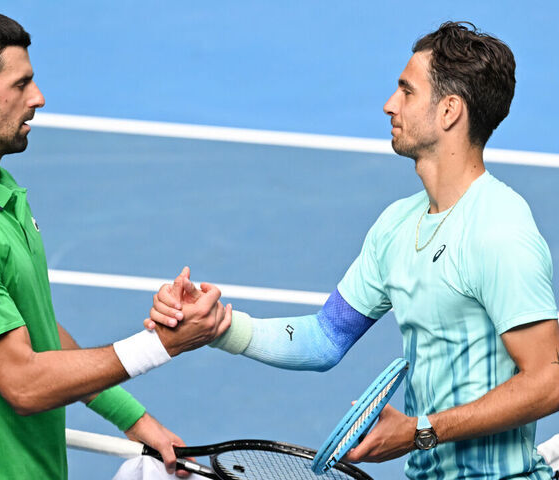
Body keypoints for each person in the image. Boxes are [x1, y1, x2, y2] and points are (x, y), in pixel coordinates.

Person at [148, 22, 559, 479]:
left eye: (406, 92)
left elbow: (549, 380)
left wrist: (422, 431)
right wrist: (220, 328)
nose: (389, 105)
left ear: (449, 111)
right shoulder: (397, 226)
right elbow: (325, 337)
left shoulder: (499, 230)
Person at [0, 10, 231, 480]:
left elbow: (34, 328)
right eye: (20, 85)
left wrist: (134, 418)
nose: (38, 98)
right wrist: (159, 346)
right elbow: (23, 384)